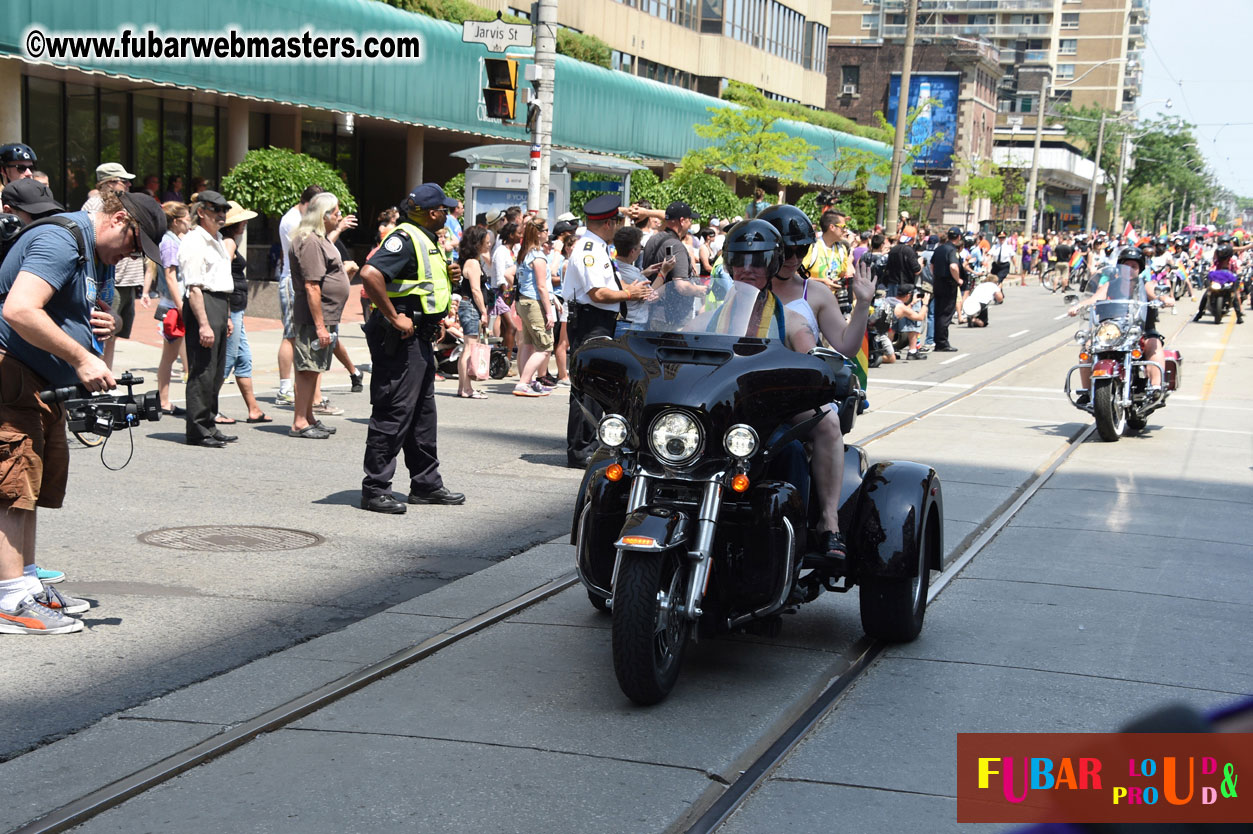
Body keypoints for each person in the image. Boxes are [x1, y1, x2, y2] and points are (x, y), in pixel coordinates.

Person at [0, 189, 165, 634]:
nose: (130, 256)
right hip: (12, 371)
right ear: (116, 219)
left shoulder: (93, 255)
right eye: (133, 245)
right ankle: (9, 598)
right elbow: (18, 309)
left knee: (31, 484)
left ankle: (27, 583)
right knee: (13, 483)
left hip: (40, 380)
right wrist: (80, 358)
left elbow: (72, 314)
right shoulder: (63, 240)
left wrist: (103, 331)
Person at [758, 205, 876, 565]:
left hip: (791, 396)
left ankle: (829, 521)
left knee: (826, 421)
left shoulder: (816, 292)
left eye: (801, 250)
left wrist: (862, 305)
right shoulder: (742, 286)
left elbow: (844, 347)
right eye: (786, 250)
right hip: (741, 393)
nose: (794, 258)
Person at [358, 183, 465, 514]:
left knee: (422, 415)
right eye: (445, 211)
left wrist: (452, 277)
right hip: (401, 336)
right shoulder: (403, 238)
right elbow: (370, 274)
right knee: (394, 410)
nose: (448, 215)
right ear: (433, 213)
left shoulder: (427, 239)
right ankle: (375, 488)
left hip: (421, 335)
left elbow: (420, 284)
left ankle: (425, 484)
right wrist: (394, 316)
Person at [564, 194, 652, 468]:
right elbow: (598, 293)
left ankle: (587, 444)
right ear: (607, 223)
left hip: (598, 319)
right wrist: (629, 293)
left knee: (593, 384)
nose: (617, 226)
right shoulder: (590, 249)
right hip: (592, 319)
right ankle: (581, 450)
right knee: (587, 387)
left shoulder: (596, 245)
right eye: (615, 221)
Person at [1068, 246, 1175, 402]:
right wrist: (1079, 306)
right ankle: (1087, 391)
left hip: (1139, 330)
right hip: (1113, 329)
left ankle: (1156, 387)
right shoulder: (1110, 285)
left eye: (1134, 266)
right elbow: (1095, 299)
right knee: (1087, 345)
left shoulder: (1145, 285)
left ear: (1140, 269)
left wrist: (1165, 300)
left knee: (1153, 343)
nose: (1130, 269)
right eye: (1126, 265)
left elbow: (1157, 293)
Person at [288, 193, 351, 439]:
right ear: (323, 216)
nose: (340, 216)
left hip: (325, 316)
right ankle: (299, 422)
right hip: (315, 318)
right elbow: (312, 286)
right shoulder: (310, 241)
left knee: (315, 368)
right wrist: (320, 326)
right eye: (336, 212)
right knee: (307, 368)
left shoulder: (319, 239)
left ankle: (309, 417)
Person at [178, 190, 237, 448]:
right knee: (203, 370)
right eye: (216, 210)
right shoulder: (194, 241)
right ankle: (198, 429)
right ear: (201, 212)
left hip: (219, 303)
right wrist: (203, 323)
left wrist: (226, 317)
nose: (222, 215)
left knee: (216, 371)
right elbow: (194, 287)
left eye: (224, 211)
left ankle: (210, 423)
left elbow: (221, 283)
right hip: (203, 303)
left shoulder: (218, 239)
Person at [219, 201, 269, 424]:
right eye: (242, 220)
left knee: (243, 359)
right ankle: (208, 409)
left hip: (237, 308)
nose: (246, 223)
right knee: (228, 360)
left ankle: (254, 409)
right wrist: (227, 313)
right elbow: (223, 275)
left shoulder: (230, 241)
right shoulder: (228, 242)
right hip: (232, 309)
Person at [150, 201, 191, 415]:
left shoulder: (174, 240)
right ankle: (163, 400)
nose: (189, 221)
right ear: (176, 221)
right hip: (173, 306)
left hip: (175, 304)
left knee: (173, 354)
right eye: (186, 217)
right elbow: (170, 276)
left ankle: (165, 400)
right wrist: (181, 306)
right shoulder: (169, 242)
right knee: (169, 356)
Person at [512, 217, 557, 397]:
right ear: (538, 233)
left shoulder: (525, 253)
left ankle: (527, 381)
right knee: (545, 347)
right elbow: (541, 286)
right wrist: (549, 312)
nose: (548, 233)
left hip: (523, 301)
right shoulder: (538, 256)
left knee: (529, 344)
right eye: (546, 230)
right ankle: (524, 383)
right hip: (533, 302)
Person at [642, 201, 704, 327]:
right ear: (682, 221)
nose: (691, 223)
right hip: (672, 319)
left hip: (651, 314)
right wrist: (700, 289)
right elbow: (681, 286)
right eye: (690, 220)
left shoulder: (653, 239)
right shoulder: (677, 246)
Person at [454, 225, 491, 399]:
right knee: (469, 347)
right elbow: (476, 290)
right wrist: (483, 311)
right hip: (471, 306)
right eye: (486, 242)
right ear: (477, 243)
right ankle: (467, 388)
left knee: (467, 347)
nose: (488, 245)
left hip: (466, 305)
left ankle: (463, 386)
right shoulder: (473, 263)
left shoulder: (465, 260)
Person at [611, 224, 665, 336]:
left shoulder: (613, 266)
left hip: (621, 324)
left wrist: (644, 273)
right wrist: (664, 272)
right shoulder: (631, 274)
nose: (641, 249)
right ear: (632, 251)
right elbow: (652, 296)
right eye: (640, 247)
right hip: (632, 326)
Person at [930, 226, 963, 352]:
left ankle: (938, 341)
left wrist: (936, 276)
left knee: (938, 312)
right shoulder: (952, 250)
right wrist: (958, 279)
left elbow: (931, 265)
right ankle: (942, 342)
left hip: (938, 282)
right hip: (948, 284)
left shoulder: (939, 249)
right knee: (946, 313)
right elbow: (954, 266)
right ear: (959, 237)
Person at [890, 284, 928, 359]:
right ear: (908, 295)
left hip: (878, 333)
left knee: (892, 327)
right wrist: (925, 304)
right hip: (882, 337)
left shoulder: (890, 300)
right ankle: (912, 351)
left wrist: (912, 303)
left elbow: (904, 311)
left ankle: (889, 350)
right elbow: (919, 317)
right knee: (891, 359)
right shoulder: (901, 307)